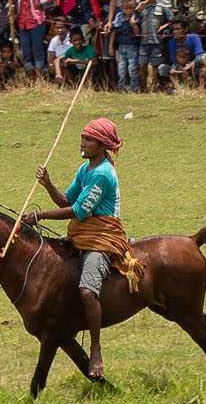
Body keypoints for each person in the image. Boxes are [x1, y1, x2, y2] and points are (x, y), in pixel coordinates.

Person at [24, 115, 130, 379]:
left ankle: (95, 349)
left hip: (101, 240)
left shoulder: (103, 174)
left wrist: (41, 216)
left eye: (88, 139)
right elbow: (66, 200)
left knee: (85, 291)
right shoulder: (85, 170)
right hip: (81, 235)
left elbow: (79, 211)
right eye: (82, 137)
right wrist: (48, 184)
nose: (82, 143)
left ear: (102, 144)